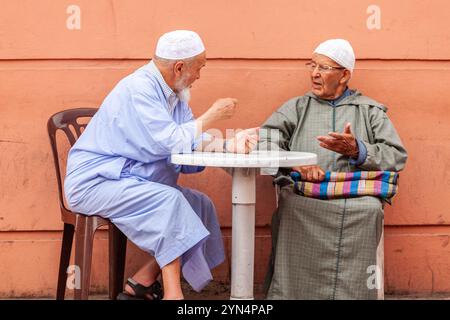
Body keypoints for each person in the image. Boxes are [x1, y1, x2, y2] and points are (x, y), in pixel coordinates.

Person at [64, 30, 258, 300]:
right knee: (171, 201)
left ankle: (141, 281)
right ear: (180, 67)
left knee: (199, 205)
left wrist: (229, 145)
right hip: (96, 183)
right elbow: (169, 142)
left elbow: (188, 138)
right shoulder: (139, 89)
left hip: (130, 179)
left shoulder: (176, 93)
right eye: (199, 68)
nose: (200, 76)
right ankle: (173, 295)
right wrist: (213, 115)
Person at [260, 39, 408, 299]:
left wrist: (358, 150)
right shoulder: (296, 108)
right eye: (312, 65)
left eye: (324, 67)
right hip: (304, 196)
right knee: (290, 207)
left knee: (370, 210)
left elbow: (396, 156)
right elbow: (264, 142)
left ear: (344, 75)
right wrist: (295, 161)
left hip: (357, 198)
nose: (314, 73)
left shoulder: (370, 111)